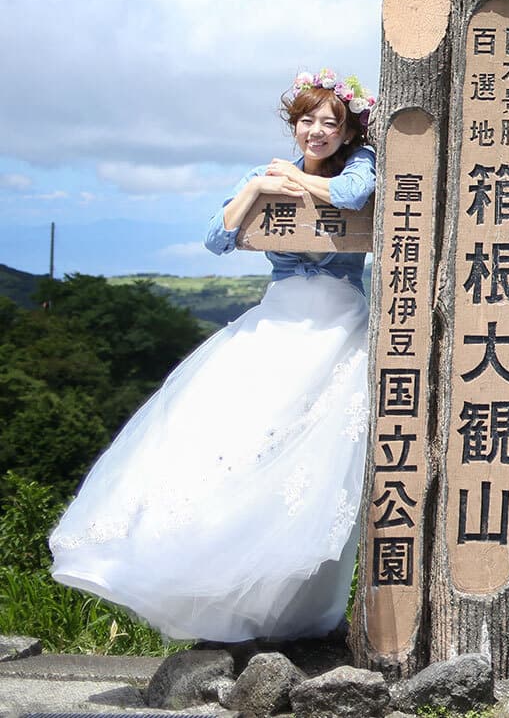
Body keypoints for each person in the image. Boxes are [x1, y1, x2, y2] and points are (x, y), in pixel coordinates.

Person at [50, 70, 380, 643]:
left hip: (339, 323)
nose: (317, 131)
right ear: (293, 124)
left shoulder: (361, 164)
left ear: (349, 131)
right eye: (307, 120)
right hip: (278, 318)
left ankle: (296, 613)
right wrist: (259, 186)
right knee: (240, 447)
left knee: (318, 468)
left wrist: (294, 183)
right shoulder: (264, 174)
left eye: (331, 122)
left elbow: (352, 198)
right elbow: (217, 236)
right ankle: (224, 595)